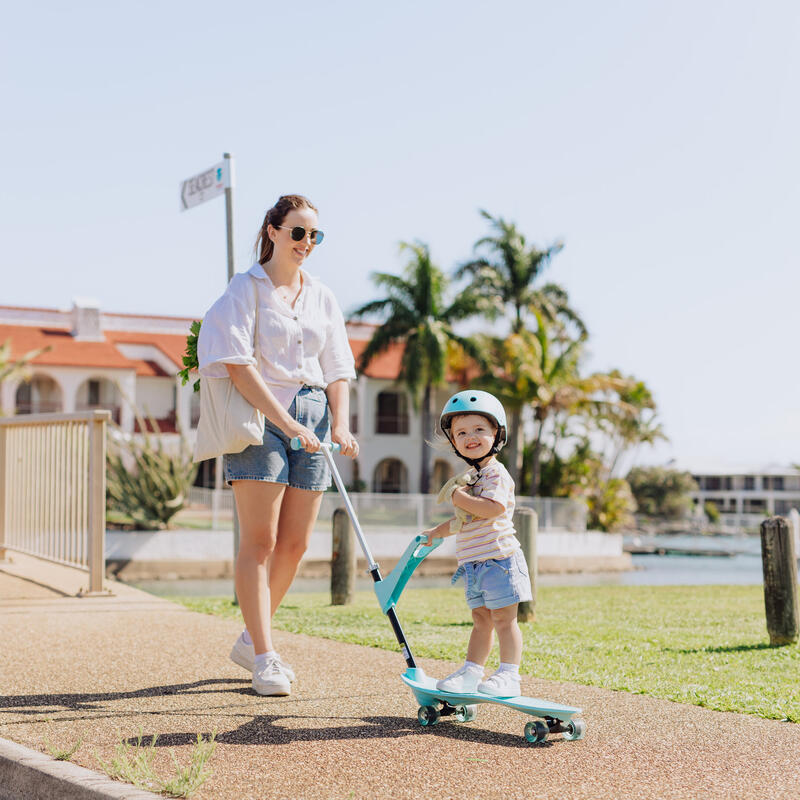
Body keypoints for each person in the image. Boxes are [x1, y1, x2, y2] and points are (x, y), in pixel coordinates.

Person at [198, 194, 358, 696]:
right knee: (260, 543)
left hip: (313, 417)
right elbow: (237, 363)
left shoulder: (322, 296)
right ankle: (265, 656)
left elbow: (338, 368)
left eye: (315, 236)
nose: (306, 243)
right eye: (297, 233)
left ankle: (251, 638)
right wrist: (285, 422)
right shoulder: (245, 289)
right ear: (272, 231)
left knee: (295, 543)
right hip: (260, 417)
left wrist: (341, 424)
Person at [422, 390, 532, 698]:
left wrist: (459, 497)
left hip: (500, 560)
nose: (471, 437)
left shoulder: (496, 474)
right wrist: (436, 532)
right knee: (481, 619)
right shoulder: (471, 478)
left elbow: (492, 509)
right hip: (474, 565)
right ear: (454, 442)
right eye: (461, 432)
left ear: (496, 433)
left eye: (479, 429)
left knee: (504, 620)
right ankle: (472, 671)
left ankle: (509, 675)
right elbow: (464, 520)